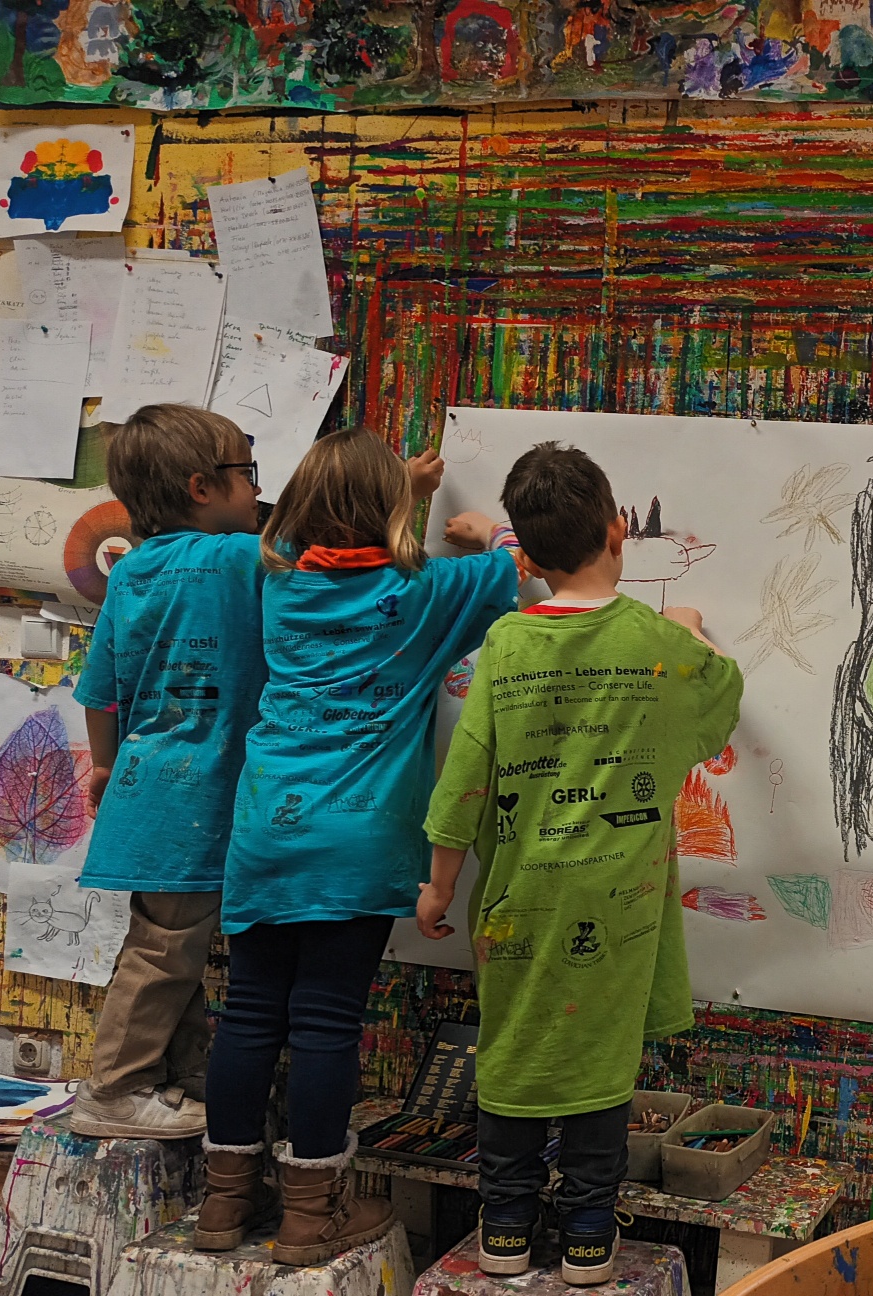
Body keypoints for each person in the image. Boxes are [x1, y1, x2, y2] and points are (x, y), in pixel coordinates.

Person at [417, 441, 743, 1286]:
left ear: (522, 554)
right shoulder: (656, 643)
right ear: (620, 530)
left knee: (514, 1054)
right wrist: (692, 629)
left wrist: (440, 883)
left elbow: (466, 780)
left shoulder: (509, 643)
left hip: (521, 897)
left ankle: (507, 1231)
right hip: (621, 900)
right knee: (602, 1065)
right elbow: (717, 701)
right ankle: (592, 1239)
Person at [196, 425, 521, 1266]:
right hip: (360, 839)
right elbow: (521, 565)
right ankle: (311, 1217)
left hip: (267, 828)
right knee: (327, 1019)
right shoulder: (424, 593)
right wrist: (483, 527)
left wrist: (397, 491)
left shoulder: (276, 582)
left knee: (251, 1011)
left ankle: (223, 1205)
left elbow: (327, 541)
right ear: (388, 513)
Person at [69, 405, 266, 1140]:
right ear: (201, 487)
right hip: (196, 795)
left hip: (144, 787)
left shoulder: (131, 573)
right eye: (248, 473)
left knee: (166, 944)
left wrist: (105, 766)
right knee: (166, 948)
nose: (256, 491)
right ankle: (113, 1090)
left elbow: (100, 691)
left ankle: (176, 1081)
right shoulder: (243, 558)